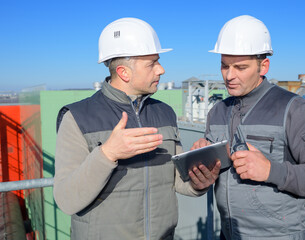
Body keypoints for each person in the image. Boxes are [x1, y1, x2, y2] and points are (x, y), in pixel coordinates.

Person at [53, 17, 220, 240]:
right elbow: (67, 199)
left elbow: (178, 181)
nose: (161, 69)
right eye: (152, 63)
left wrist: (200, 182)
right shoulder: (77, 117)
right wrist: (107, 154)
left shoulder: (165, 113)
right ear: (124, 72)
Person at [191, 15, 305, 239]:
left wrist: (272, 171)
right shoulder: (217, 112)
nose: (229, 75)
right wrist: (201, 167)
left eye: (240, 67)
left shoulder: (294, 109)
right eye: (224, 66)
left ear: (264, 66)